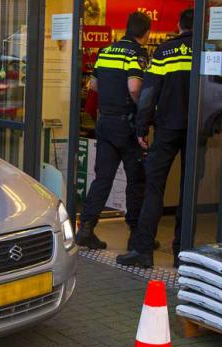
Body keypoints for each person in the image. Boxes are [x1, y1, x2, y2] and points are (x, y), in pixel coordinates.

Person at [117, 8, 194, 268]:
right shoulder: (209, 51)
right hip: (196, 131)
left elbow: (148, 94)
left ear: (178, 24)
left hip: (167, 128)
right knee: (189, 189)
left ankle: (143, 250)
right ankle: (182, 254)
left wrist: (142, 128)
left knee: (154, 187)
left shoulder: (164, 51)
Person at [75, 12, 151, 250]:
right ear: (146, 33)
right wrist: (143, 111)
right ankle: (136, 235)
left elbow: (94, 85)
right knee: (135, 180)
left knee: (103, 178)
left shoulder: (106, 51)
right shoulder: (137, 53)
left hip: (105, 123)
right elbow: (134, 87)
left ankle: (86, 228)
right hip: (126, 124)